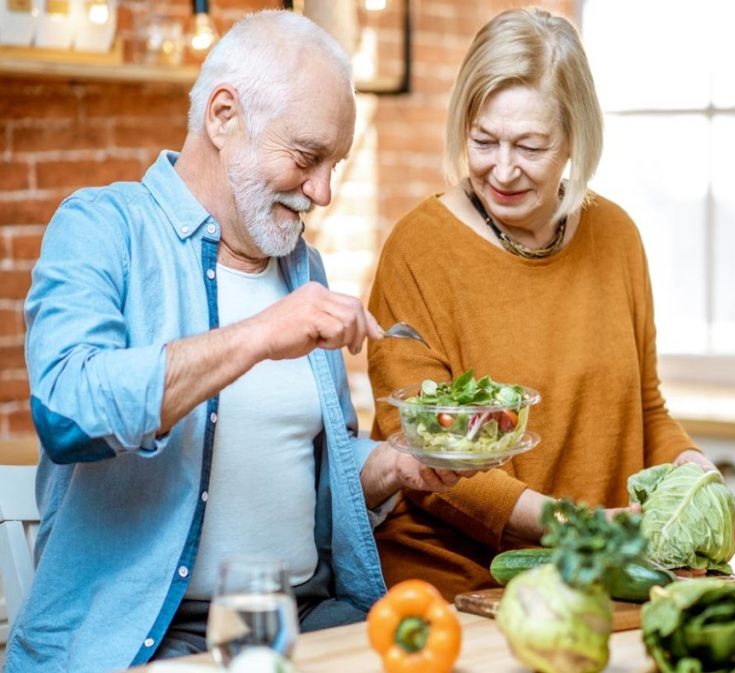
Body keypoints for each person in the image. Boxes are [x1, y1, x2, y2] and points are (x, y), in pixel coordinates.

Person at [7, 11, 463, 673]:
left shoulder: (302, 269)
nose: (322, 192)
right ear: (223, 116)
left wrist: (392, 467)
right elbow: (66, 411)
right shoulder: (102, 228)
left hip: (308, 616)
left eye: (334, 165)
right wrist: (259, 335)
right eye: (306, 158)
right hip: (148, 639)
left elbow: (297, 472)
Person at [366, 8, 735, 600]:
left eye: (530, 145)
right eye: (483, 140)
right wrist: (575, 526)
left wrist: (695, 474)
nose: (502, 169)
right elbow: (422, 453)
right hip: (460, 588)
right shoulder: (418, 249)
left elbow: (645, 409)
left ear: (575, 138)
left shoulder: (616, 236)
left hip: (598, 577)